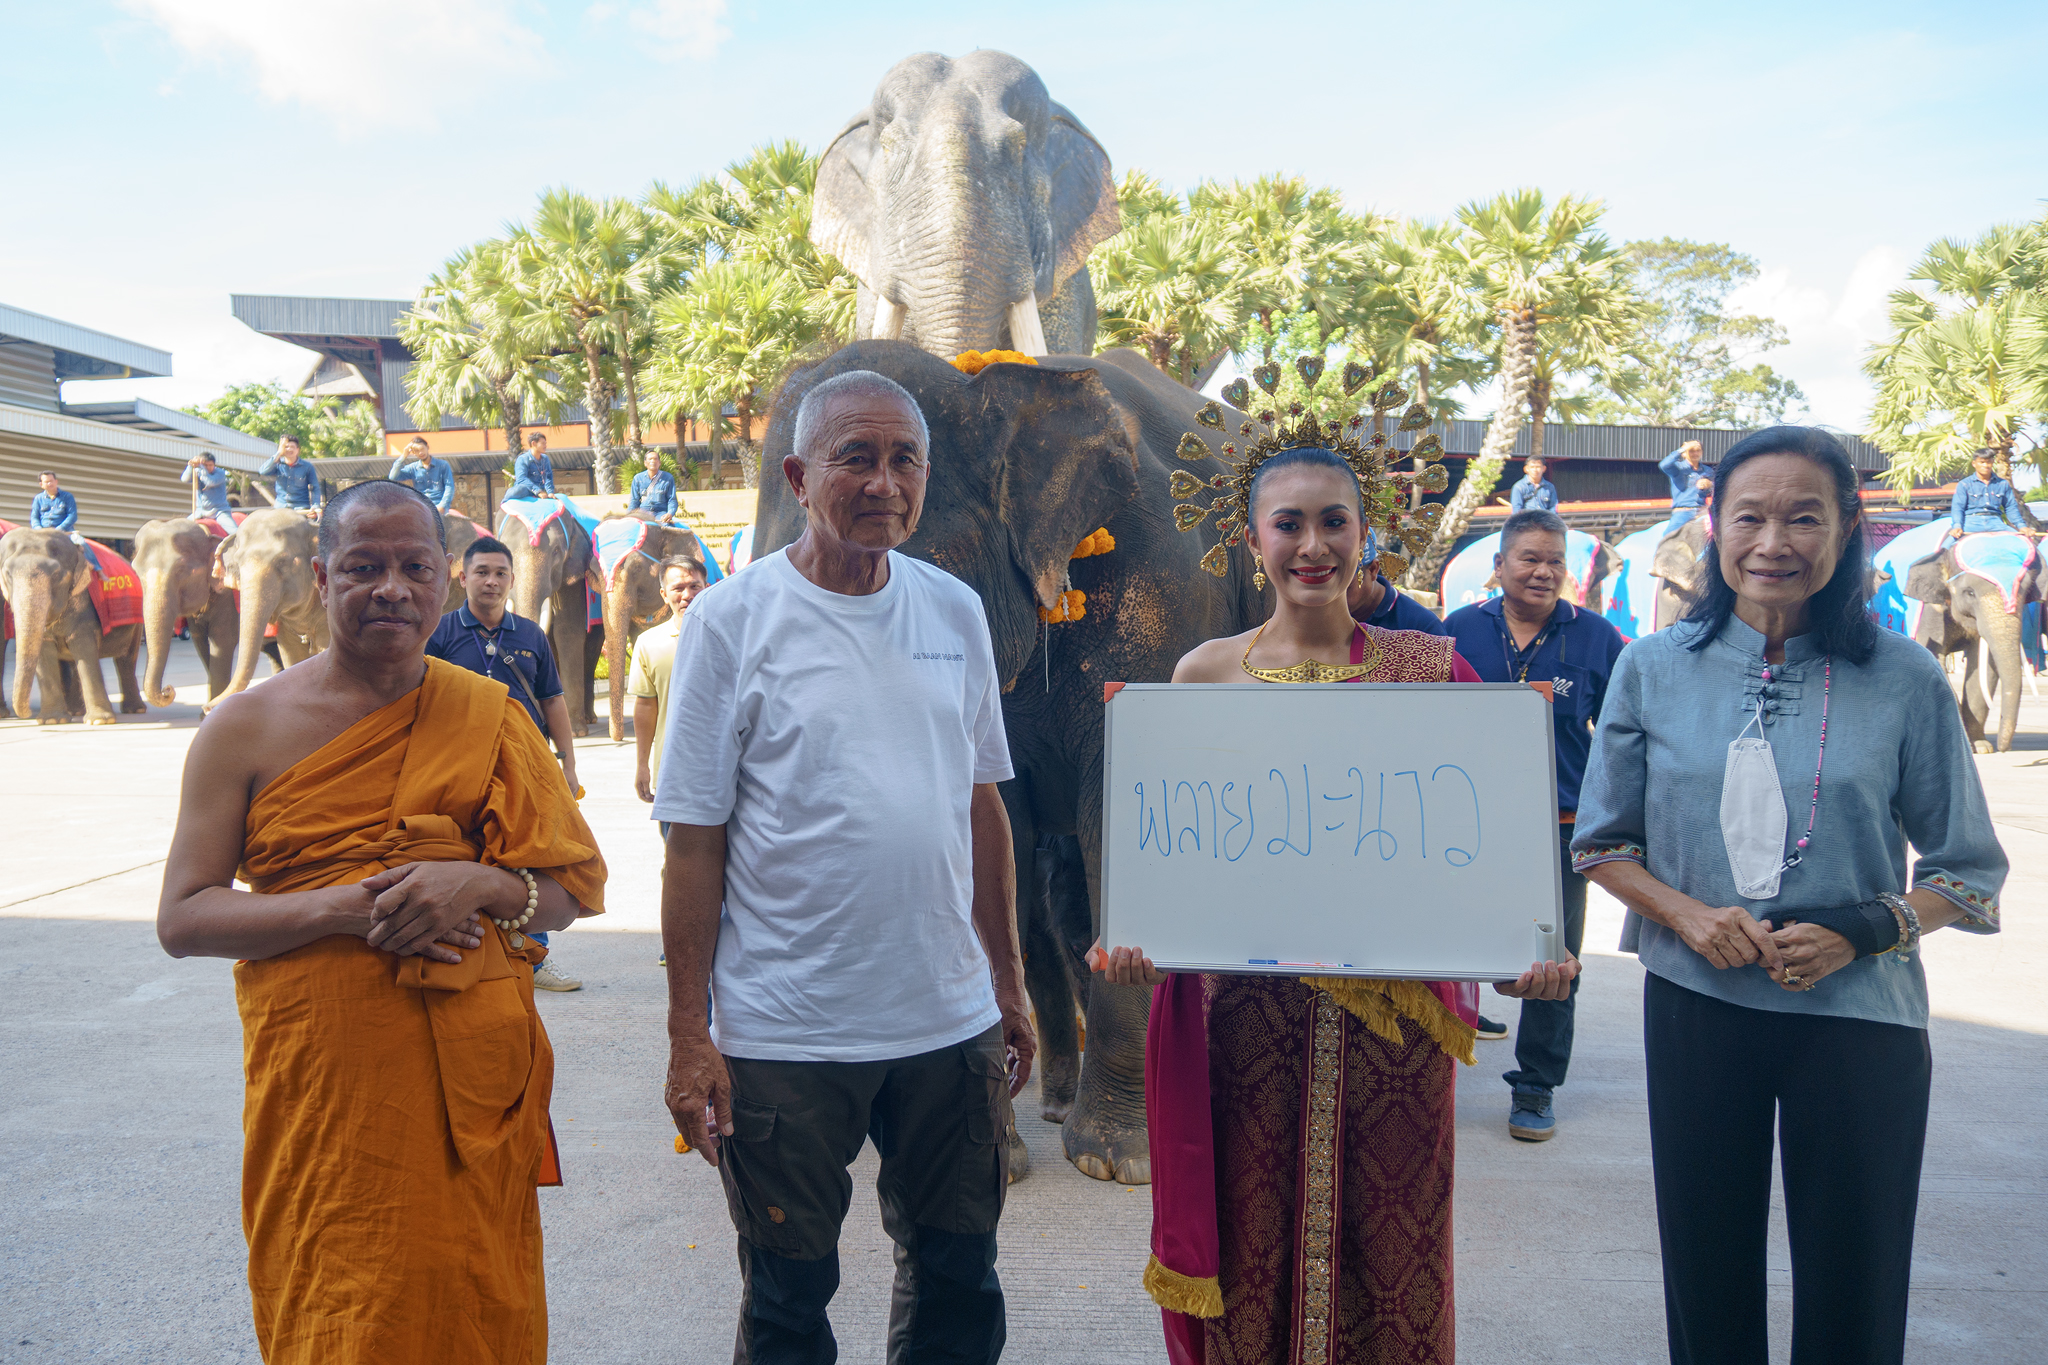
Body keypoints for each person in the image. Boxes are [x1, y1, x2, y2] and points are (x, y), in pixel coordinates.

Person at [1100, 420, 1578, 1365]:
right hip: (1243, 1018)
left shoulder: (1431, 669)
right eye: (1289, 523)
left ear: (1366, 533)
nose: (1312, 545)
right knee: (1250, 1235)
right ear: (1252, 537)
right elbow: (1172, 841)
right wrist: (1139, 936)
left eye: (1334, 522)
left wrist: (1523, 948)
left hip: (1394, 1033)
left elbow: (1489, 833)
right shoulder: (1204, 672)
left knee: (1393, 1249)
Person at [1572, 425, 2006, 1365]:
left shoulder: (1904, 677)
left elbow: (1966, 871)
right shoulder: (1652, 668)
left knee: (1858, 1280)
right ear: (1713, 525)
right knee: (1707, 1270)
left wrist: (1865, 928)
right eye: (1751, 517)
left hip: (1860, 1018)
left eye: (1804, 518)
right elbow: (1602, 845)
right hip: (1697, 1003)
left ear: (1847, 529)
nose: (1774, 542)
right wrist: (1688, 915)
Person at [155, 479, 606, 1365]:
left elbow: (570, 891)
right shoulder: (243, 727)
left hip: (467, 1085)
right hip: (325, 1084)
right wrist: (340, 909)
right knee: (340, 1301)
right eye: (364, 567)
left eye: (413, 567)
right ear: (322, 579)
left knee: (472, 1301)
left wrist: (478, 884)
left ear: (444, 579)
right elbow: (183, 915)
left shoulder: (490, 715)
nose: (391, 588)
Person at [654, 369, 1034, 1364]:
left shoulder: (953, 610)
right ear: (797, 476)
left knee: (958, 1279)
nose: (883, 483)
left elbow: (980, 805)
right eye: (854, 457)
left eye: (905, 460)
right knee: (787, 1300)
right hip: (786, 1032)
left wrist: (1008, 983)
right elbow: (693, 842)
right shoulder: (731, 621)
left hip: (948, 1022)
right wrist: (689, 1033)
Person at [1445, 509, 1629, 1141]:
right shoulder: (1457, 630)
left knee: (1552, 957)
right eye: (1529, 558)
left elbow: (1622, 735)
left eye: (1556, 561)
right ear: (1499, 565)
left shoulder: (1597, 638)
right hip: (1464, 823)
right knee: (1447, 939)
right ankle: (1437, 1056)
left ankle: (1535, 1085)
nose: (1544, 571)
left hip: (1558, 824)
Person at [427, 533, 586, 993]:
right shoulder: (440, 633)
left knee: (530, 858)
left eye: (500, 573)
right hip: (460, 767)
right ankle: (480, 953)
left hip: (525, 768)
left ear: (513, 580)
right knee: (472, 855)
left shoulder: (531, 634)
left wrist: (567, 764)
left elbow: (552, 700)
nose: (491, 581)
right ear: (462, 577)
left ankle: (533, 957)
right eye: (482, 572)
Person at [1943, 449, 2032, 538]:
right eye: (1982, 462)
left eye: (1988, 462)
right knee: (1948, 543)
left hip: (1996, 523)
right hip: (1971, 522)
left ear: (1992, 463)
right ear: (1974, 464)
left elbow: (2010, 507)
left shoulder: (2002, 484)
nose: (1985, 465)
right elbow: (1958, 508)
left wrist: (2022, 526)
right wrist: (1957, 526)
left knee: (2022, 540)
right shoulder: (1964, 484)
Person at [30, 469, 103, 572]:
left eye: (51, 481)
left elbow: (72, 516)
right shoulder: (38, 499)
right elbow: (34, 517)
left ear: (56, 481)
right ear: (41, 484)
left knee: (81, 543)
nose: (50, 484)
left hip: (65, 532)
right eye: (46, 482)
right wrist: (39, 529)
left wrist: (59, 529)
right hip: (43, 532)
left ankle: (98, 570)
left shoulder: (67, 497)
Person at [260, 434, 323, 520]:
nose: (289, 449)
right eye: (286, 447)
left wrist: (315, 506)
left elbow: (315, 488)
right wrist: (278, 453)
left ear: (298, 450)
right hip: (280, 509)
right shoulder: (277, 465)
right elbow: (262, 471)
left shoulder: (307, 467)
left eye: (292, 447)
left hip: (301, 509)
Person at [388, 436, 455, 512]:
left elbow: (449, 487)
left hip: (439, 506)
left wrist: (442, 506)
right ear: (413, 453)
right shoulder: (413, 468)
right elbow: (393, 477)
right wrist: (403, 456)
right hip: (421, 508)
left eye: (422, 449)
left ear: (427, 447)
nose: (420, 452)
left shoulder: (443, 465)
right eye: (416, 450)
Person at [181, 453, 240, 536]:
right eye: (206, 465)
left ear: (214, 465)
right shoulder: (198, 472)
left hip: (219, 511)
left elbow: (210, 482)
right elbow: (184, 479)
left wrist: (201, 468)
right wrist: (190, 466)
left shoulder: (220, 473)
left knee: (235, 532)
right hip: (200, 511)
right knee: (182, 528)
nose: (208, 467)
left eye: (210, 465)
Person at [1659, 440, 1713, 527]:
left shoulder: (1708, 470)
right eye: (1691, 451)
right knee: (1671, 535)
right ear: (1684, 454)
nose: (1695, 454)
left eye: (1698, 450)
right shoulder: (1678, 468)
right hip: (1683, 512)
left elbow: (1718, 488)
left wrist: (1710, 484)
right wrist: (1682, 449)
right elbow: (1664, 465)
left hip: (1702, 511)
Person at [627, 449, 680, 522]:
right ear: (645, 463)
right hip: (643, 512)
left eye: (655, 459)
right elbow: (634, 500)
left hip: (661, 512)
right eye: (650, 459)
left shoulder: (668, 478)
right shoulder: (637, 478)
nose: (653, 461)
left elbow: (672, 500)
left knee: (664, 526)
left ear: (659, 463)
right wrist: (629, 515)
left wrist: (670, 513)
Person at [507, 432, 556, 501]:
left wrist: (550, 492)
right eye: (543, 443)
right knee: (518, 490)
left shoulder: (545, 459)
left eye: (545, 443)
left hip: (542, 492)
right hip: (527, 491)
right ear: (534, 443)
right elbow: (521, 479)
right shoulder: (523, 459)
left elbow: (548, 477)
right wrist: (538, 491)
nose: (545, 446)